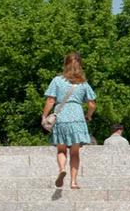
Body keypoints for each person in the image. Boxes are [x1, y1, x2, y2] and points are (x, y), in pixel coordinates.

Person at [41, 52, 96, 190]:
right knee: (75, 152)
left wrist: (44, 116)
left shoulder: (57, 80)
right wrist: (88, 115)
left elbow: (51, 100)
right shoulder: (83, 83)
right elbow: (92, 104)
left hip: (61, 117)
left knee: (61, 149)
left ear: (65, 64)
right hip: (77, 117)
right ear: (80, 65)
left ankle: (61, 170)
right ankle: (73, 182)